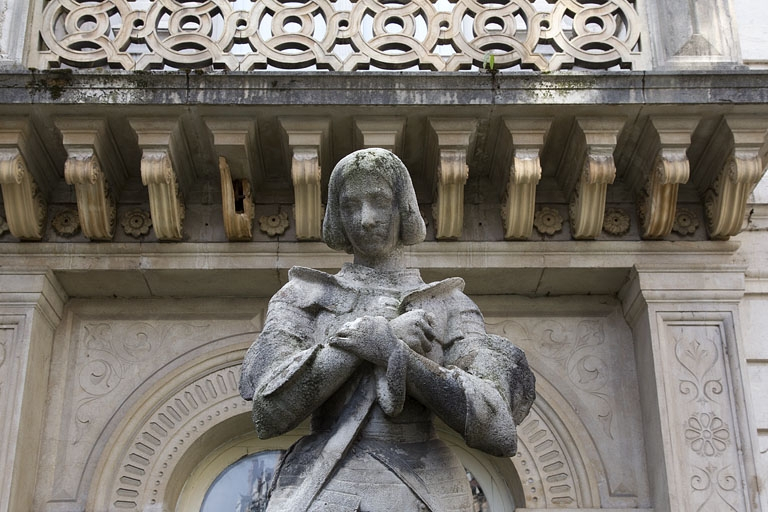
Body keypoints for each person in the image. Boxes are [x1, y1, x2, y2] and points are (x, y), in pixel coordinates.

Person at [240, 148, 535, 512]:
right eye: (350, 205)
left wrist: (396, 355)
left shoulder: (449, 303)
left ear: (402, 207)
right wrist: (358, 345)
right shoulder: (303, 296)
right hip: (323, 485)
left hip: (424, 486)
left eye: (379, 201)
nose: (365, 219)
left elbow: (495, 425)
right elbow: (270, 411)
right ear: (337, 214)